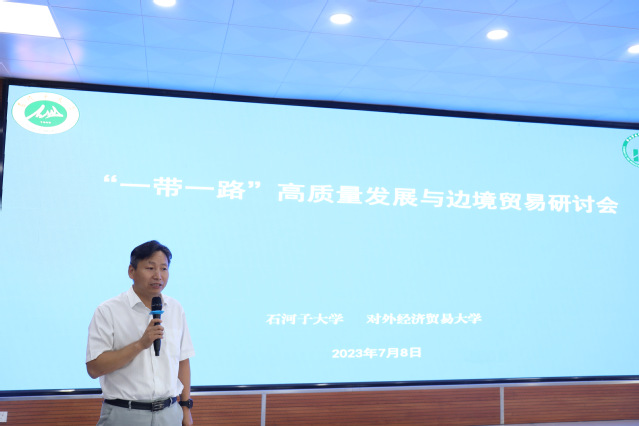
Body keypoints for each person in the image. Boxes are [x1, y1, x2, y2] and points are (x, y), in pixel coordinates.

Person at [86, 240, 195, 426]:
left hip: (169, 414)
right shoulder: (108, 311)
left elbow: (183, 361)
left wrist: (185, 408)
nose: (158, 276)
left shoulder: (175, 309)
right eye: (150, 268)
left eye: (164, 269)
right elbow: (94, 368)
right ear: (131, 271)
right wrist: (140, 344)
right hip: (124, 414)